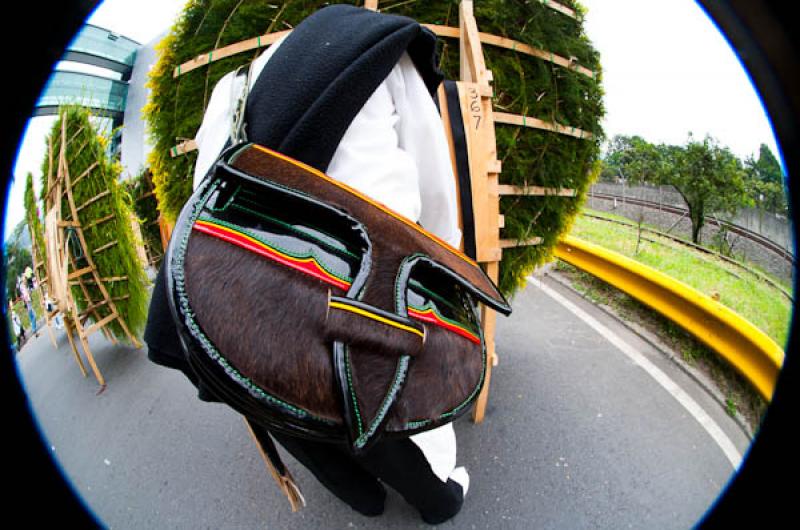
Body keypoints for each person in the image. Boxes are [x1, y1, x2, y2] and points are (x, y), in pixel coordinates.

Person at [147, 5, 468, 524]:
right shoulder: (377, 47)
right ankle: (437, 500)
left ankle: (360, 493)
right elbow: (435, 197)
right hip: (366, 294)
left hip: (249, 314)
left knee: (284, 395)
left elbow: (207, 196)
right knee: (384, 391)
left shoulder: (228, 90)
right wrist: (449, 278)